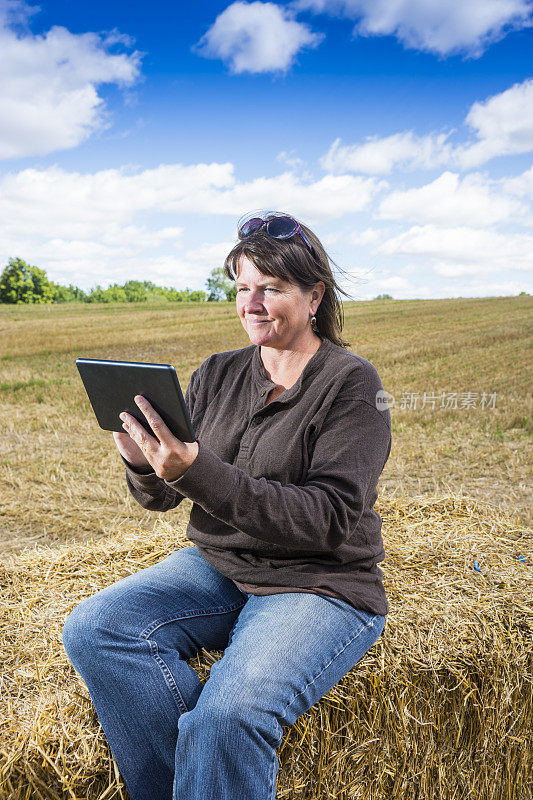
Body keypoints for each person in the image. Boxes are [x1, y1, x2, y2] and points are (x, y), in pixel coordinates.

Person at [62, 210, 392, 800]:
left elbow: (328, 519)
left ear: (314, 296)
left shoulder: (353, 385)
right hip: (221, 568)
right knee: (96, 628)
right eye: (243, 288)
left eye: (272, 288)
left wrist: (199, 470)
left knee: (228, 718)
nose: (253, 304)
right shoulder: (217, 374)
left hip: (318, 582)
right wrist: (142, 461)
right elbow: (164, 497)